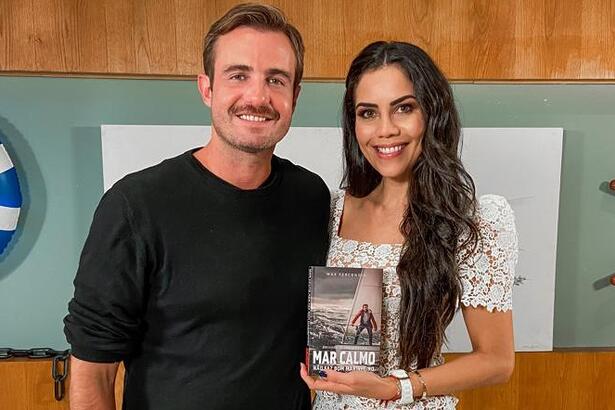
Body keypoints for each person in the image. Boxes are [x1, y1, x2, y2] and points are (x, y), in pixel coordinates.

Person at [64, 4, 330, 410]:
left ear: (294, 95)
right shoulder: (135, 207)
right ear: (207, 88)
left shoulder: (312, 198)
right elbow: (93, 372)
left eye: (275, 79)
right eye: (238, 75)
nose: (257, 96)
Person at [300, 41, 518, 409]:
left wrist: (393, 387)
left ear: (432, 114)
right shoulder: (333, 210)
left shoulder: (474, 220)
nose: (384, 130)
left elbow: (497, 361)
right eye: (368, 113)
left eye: (403, 108)